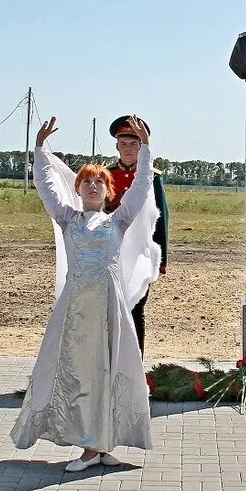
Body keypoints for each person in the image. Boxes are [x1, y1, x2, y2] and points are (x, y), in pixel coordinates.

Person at [11, 116, 160, 472]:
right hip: (76, 313)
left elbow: (140, 187)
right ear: (77, 190)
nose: (93, 186)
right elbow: (46, 186)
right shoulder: (67, 219)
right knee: (81, 374)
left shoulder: (118, 221)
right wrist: (40, 149)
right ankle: (88, 446)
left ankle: (105, 444)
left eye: (99, 182)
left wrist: (147, 148)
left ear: (109, 192)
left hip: (110, 308)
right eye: (86, 182)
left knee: (112, 370)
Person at [106, 114, 168, 356]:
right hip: (112, 252)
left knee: (136, 309)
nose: (128, 149)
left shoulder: (152, 177)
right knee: (111, 309)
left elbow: (160, 218)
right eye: (123, 144)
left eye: (133, 144)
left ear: (141, 147)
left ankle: (135, 362)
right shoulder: (106, 174)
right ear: (117, 146)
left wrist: (161, 260)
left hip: (141, 253)